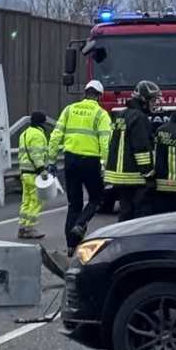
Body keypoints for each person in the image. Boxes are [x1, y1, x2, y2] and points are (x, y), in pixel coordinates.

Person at [50, 80, 112, 250]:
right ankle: (81, 224)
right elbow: (105, 143)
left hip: (70, 160)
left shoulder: (69, 110)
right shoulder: (101, 114)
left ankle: (70, 246)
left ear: (85, 93)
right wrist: (106, 167)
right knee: (96, 198)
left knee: (74, 204)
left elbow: (55, 136)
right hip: (90, 162)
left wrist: (51, 161)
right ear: (99, 96)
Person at [106, 80, 159, 221]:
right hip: (133, 175)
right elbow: (141, 148)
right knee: (138, 214)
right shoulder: (139, 118)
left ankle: (120, 238)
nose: (155, 103)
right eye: (153, 100)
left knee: (125, 211)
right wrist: (149, 173)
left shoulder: (121, 115)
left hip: (119, 174)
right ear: (143, 100)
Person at [16, 111, 49, 239]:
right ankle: (30, 228)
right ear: (41, 122)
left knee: (26, 201)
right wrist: (42, 169)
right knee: (36, 201)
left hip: (24, 173)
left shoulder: (24, 133)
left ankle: (22, 227)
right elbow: (36, 154)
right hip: (34, 173)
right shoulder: (37, 135)